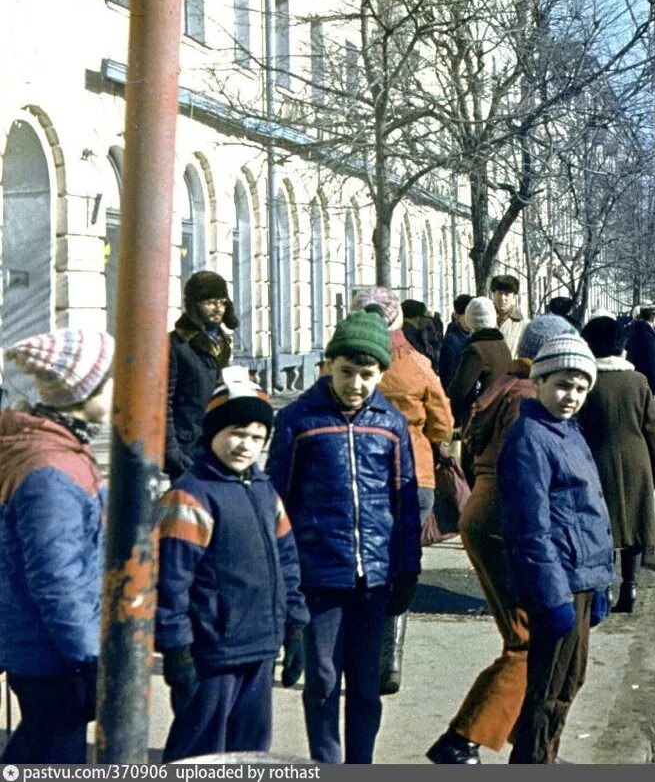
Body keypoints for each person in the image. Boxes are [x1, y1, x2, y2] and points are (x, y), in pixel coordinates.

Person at [265, 311, 421, 764]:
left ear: (380, 375)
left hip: (374, 577)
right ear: (328, 365)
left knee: (366, 685)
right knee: (323, 680)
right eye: (346, 372)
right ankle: (327, 762)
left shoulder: (390, 427)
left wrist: (406, 567)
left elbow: (403, 505)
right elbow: (278, 501)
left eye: (366, 374)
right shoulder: (299, 421)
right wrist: (286, 576)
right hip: (319, 576)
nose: (355, 383)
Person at [426, 314, 575, 764]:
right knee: (528, 640)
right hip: (504, 516)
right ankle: (463, 740)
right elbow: (527, 472)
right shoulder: (527, 396)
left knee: (525, 637)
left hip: (485, 511)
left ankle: (523, 743)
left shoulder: (504, 386)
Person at [155, 367, 310, 762]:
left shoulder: (264, 491)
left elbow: (287, 562)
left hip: (260, 647)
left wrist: (295, 627)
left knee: (250, 750)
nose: (245, 445)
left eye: (257, 437)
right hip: (212, 653)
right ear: (214, 432)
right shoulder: (191, 496)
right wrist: (177, 650)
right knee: (200, 752)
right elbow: (172, 583)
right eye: (237, 433)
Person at [498, 333, 614, 764]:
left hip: (581, 580)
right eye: (563, 384)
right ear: (539, 381)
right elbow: (529, 527)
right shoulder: (530, 438)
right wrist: (553, 597)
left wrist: (602, 582)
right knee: (548, 692)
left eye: (582, 388)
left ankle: (543, 756)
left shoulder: (566, 430)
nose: (572, 396)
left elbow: (589, 510)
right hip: (559, 585)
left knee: (566, 684)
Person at [0, 328, 115, 764]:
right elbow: (57, 577)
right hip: (52, 652)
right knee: (52, 754)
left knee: (42, 745)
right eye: (108, 381)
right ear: (83, 391)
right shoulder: (51, 468)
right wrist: (87, 657)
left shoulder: (56, 448)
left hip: (45, 645)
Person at [353, 286, 454, 696]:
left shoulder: (342, 363)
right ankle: (390, 657)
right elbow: (442, 424)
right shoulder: (417, 363)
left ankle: (358, 650)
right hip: (416, 476)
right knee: (403, 566)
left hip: (361, 474)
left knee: (361, 563)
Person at [577, 317, 655, 615]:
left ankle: (604, 588)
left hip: (596, 461)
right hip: (637, 460)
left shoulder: (586, 383)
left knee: (603, 526)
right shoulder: (638, 381)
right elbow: (652, 429)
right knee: (636, 526)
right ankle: (631, 585)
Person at [165, 270, 238, 481]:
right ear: (195, 305)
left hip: (218, 442)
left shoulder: (223, 342)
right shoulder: (177, 345)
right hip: (187, 448)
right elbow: (164, 402)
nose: (218, 309)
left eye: (223, 303)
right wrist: (172, 450)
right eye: (210, 302)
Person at [446, 295, 512, 428]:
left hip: (482, 420)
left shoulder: (475, 350)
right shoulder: (501, 344)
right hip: (502, 413)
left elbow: (459, 390)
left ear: (471, 320)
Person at [625, 303, 655, 413]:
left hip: (640, 384)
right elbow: (652, 365)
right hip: (649, 388)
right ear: (653, 317)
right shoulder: (647, 337)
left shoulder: (636, 331)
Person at [439, 294, 473, 388]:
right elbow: (448, 374)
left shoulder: (470, 336)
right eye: (467, 315)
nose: (471, 319)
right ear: (458, 316)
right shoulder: (452, 341)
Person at [490, 274, 529, 358]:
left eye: (507, 294)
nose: (502, 298)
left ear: (514, 297)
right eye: (499, 293)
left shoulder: (524, 324)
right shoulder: (484, 320)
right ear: (493, 294)